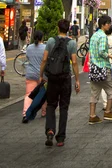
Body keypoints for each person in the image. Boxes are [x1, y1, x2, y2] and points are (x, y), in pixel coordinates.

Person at [39, 19, 80, 147]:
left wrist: (41, 75)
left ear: (58, 28)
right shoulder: (72, 43)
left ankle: (50, 130)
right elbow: (74, 62)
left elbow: (45, 59)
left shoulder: (51, 41)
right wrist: (77, 79)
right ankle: (61, 137)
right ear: (68, 29)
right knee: (64, 107)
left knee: (51, 105)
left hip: (52, 78)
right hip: (65, 78)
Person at [88, 15, 112, 124]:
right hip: (103, 67)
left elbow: (91, 50)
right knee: (111, 90)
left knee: (94, 92)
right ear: (103, 24)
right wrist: (111, 56)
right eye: (108, 23)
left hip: (94, 68)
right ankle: (108, 111)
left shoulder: (94, 35)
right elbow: (101, 51)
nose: (109, 25)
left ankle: (92, 115)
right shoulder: (103, 36)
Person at [23, 30, 47, 121]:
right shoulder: (45, 48)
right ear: (42, 37)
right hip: (43, 75)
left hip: (31, 74)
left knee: (29, 94)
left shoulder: (29, 48)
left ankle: (25, 113)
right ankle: (44, 112)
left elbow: (28, 58)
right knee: (43, 94)